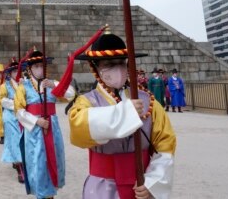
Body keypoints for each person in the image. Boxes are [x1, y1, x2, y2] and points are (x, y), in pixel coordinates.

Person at [67, 27, 176, 199]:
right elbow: (78, 130)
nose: (117, 69)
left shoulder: (149, 101)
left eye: (121, 63)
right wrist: (124, 113)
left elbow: (165, 144)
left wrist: (153, 181)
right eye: (109, 65)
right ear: (95, 68)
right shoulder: (87, 101)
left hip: (142, 184)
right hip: (103, 187)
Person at [15, 50, 75, 199]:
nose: (40, 69)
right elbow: (18, 111)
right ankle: (42, 194)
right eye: (36, 66)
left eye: (42, 66)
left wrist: (55, 83)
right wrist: (36, 121)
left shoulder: (51, 85)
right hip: (35, 132)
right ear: (30, 69)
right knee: (38, 163)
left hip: (52, 129)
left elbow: (71, 94)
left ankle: (50, 195)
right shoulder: (24, 87)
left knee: (54, 159)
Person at [0, 59, 25, 183]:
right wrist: (17, 104)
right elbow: (3, 101)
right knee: (15, 140)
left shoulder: (24, 84)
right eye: (15, 71)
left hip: (23, 115)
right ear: (10, 73)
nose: (17, 73)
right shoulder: (5, 86)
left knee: (25, 140)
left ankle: (21, 161)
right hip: (10, 115)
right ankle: (20, 168)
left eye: (18, 70)